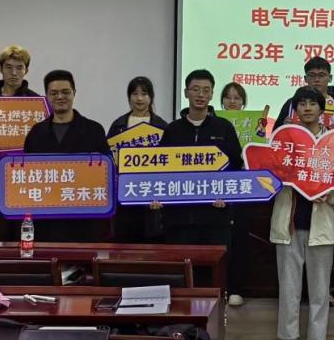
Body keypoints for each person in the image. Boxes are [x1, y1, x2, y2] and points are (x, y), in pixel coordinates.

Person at [272, 87, 334, 340]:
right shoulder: (283, 140)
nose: (308, 108)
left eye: (313, 103)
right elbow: (267, 176)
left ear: (322, 109)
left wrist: (333, 195)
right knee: (289, 288)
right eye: (302, 104)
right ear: (295, 109)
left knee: (320, 289)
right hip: (288, 223)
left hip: (321, 224)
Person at [158, 69, 243, 248]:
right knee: (181, 264)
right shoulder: (172, 129)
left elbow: (236, 166)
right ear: (186, 92)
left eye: (206, 90)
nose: (201, 95)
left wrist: (227, 196)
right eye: (195, 89)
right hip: (179, 219)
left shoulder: (224, 128)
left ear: (212, 94)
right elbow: (160, 169)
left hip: (216, 217)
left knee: (216, 265)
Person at [23, 69, 111, 242]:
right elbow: (26, 174)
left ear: (74, 93)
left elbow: (107, 172)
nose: (60, 97)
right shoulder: (36, 133)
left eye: (65, 92)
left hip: (85, 220)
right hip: (46, 220)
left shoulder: (94, 130)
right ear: (47, 96)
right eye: (54, 93)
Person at [106, 76, 169, 244]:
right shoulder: (118, 125)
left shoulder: (162, 126)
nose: (139, 98)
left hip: (152, 198)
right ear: (129, 97)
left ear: (151, 97)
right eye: (134, 94)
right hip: (125, 195)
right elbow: (109, 160)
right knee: (125, 243)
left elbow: (169, 164)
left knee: (152, 244)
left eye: (144, 93)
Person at [219, 81, 251, 307]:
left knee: (239, 239)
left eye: (237, 98)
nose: (232, 101)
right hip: (216, 189)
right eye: (228, 97)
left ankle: (236, 288)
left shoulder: (254, 125)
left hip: (243, 188)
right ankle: (218, 287)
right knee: (218, 241)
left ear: (243, 102)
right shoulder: (216, 125)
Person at [274, 56, 334, 127]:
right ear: (305, 79)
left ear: (330, 78)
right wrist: (284, 128)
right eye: (312, 75)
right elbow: (276, 133)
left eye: (321, 75)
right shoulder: (292, 103)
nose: (317, 79)